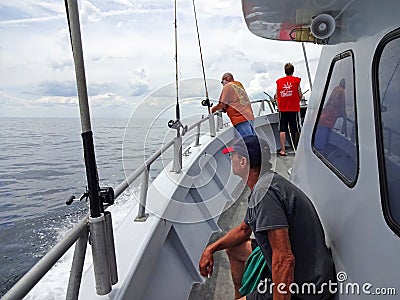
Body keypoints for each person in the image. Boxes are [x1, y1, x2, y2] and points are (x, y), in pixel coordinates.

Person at [199, 135, 336, 300]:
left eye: (232, 156)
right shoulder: (265, 184)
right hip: (302, 264)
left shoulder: (266, 195)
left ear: (243, 162)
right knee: (234, 249)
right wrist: (211, 249)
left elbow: (284, 260)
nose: (230, 159)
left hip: (306, 285)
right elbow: (243, 230)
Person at [212, 73, 256, 137]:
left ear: (226, 79)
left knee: (248, 141)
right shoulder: (238, 84)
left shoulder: (228, 86)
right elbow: (236, 100)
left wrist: (212, 110)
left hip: (240, 118)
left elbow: (222, 104)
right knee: (252, 139)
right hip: (249, 116)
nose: (222, 84)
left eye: (222, 82)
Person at [314, 78, 347, 155]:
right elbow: (342, 106)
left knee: (318, 138)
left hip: (323, 117)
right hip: (328, 120)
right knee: (321, 143)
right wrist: (344, 115)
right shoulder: (341, 91)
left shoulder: (335, 89)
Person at [276, 63, 302, 156]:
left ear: (285, 71)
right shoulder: (296, 80)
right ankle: (298, 148)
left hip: (282, 109)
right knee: (296, 128)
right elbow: (300, 94)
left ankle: (283, 150)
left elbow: (276, 95)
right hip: (294, 108)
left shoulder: (279, 82)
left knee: (283, 129)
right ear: (293, 71)